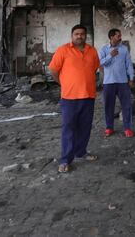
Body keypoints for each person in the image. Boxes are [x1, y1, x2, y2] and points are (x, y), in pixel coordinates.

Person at [49, 24, 100, 174]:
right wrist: (63, 83)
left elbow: (94, 68)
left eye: (82, 34)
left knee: (85, 127)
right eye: (76, 34)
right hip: (69, 97)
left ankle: (81, 152)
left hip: (88, 96)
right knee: (69, 128)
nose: (79, 36)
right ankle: (65, 159)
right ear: (72, 36)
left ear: (85, 36)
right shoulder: (63, 50)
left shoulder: (92, 51)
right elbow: (53, 70)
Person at [99, 28, 135, 137]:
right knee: (109, 106)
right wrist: (110, 55)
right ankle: (109, 128)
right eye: (118, 36)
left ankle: (127, 128)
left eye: (120, 36)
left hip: (123, 82)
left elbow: (129, 64)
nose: (120, 38)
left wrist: (131, 78)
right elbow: (100, 63)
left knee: (126, 105)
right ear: (111, 37)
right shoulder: (104, 49)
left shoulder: (124, 49)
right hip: (108, 82)